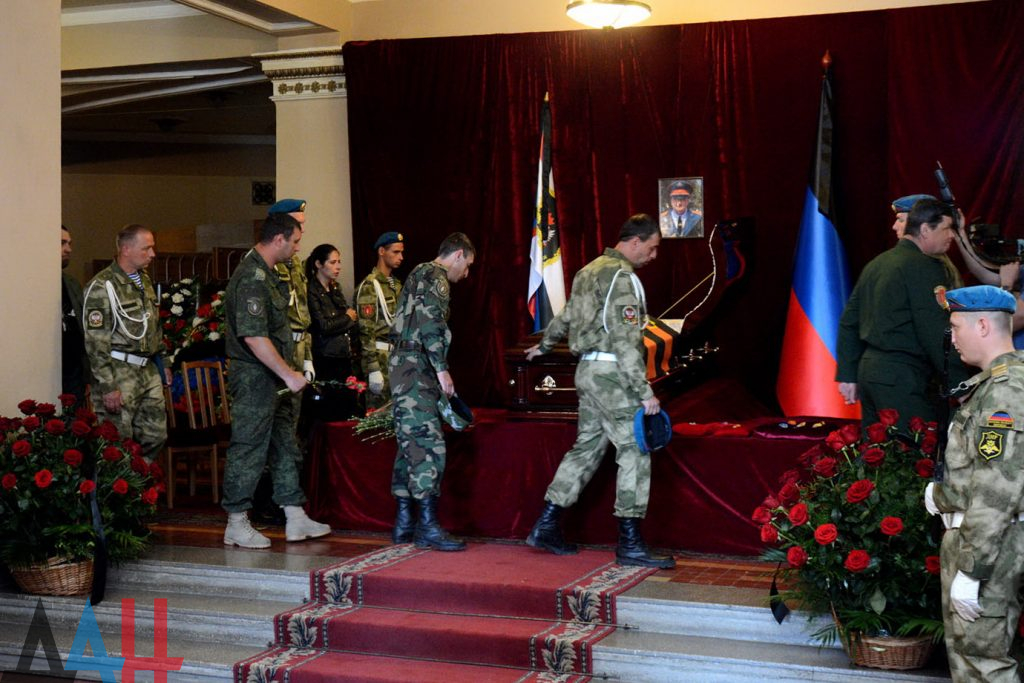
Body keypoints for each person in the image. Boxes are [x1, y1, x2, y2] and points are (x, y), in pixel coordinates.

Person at [524, 214, 675, 569]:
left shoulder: (588, 270)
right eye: (652, 248)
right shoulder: (622, 277)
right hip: (612, 375)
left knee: (586, 449)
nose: (653, 256)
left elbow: (567, 315)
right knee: (635, 449)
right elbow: (625, 339)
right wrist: (644, 391)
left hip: (587, 372)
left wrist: (544, 346)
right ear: (635, 241)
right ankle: (630, 542)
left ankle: (547, 524)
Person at [923, 285, 1024, 682]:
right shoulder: (995, 384)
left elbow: (998, 488)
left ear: (982, 325)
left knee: (981, 666)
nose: (952, 337)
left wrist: (973, 570)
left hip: (990, 546)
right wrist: (942, 494)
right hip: (987, 540)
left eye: (955, 326)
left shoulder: (1005, 392)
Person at [221, 212, 331, 549]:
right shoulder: (252, 276)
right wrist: (288, 374)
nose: (298, 248)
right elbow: (254, 337)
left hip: (274, 375)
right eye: (295, 241)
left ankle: (295, 515)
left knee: (285, 443)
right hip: (255, 376)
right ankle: (236, 522)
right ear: (279, 239)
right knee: (249, 446)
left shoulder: (270, 273)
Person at [836, 198, 968, 435]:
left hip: (871, 373)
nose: (952, 235)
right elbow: (935, 332)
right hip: (903, 378)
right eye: (947, 228)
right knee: (914, 451)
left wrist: (848, 373)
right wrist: (961, 386)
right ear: (925, 230)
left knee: (878, 453)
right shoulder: (924, 267)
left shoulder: (877, 263)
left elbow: (849, 322)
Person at [388, 232, 475, 551]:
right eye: (467, 265)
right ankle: (426, 526)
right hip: (417, 367)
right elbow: (430, 324)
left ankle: (404, 523)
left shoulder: (418, 271)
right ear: (458, 255)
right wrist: (441, 369)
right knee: (428, 443)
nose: (466, 274)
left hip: (403, 364)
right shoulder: (437, 277)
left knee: (409, 442)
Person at [83, 224, 170, 462]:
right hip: (119, 371)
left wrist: (164, 361)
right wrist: (108, 385)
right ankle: (122, 484)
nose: (152, 254)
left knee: (156, 435)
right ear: (126, 249)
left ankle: (139, 479)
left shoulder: (144, 281)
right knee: (117, 443)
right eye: (146, 248)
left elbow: (153, 325)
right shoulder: (102, 286)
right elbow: (95, 342)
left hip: (147, 369)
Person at [305, 243, 359, 421]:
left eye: (339, 262)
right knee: (329, 408)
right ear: (319, 264)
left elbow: (351, 317)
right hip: (325, 357)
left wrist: (347, 319)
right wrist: (347, 318)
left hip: (343, 354)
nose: (338, 267)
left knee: (347, 406)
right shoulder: (311, 290)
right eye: (333, 262)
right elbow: (324, 326)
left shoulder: (335, 288)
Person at [356, 231, 405, 412]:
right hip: (379, 357)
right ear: (382, 251)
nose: (401, 257)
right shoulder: (370, 286)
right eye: (395, 252)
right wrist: (373, 368)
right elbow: (365, 331)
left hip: (397, 357)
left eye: (401, 252)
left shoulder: (396, 285)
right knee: (379, 415)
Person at [61, 225, 90, 405]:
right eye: (62, 243)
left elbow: (83, 329)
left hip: (74, 374)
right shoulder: (34, 282)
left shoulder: (72, 284)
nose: (68, 249)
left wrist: (86, 374)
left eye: (69, 243)